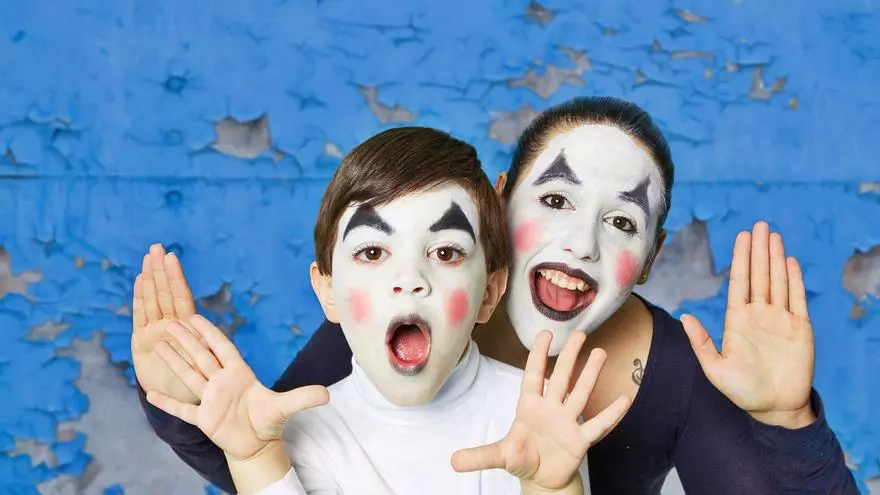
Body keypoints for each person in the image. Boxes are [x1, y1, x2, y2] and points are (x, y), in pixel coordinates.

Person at [133, 97, 857, 494]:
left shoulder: (677, 375)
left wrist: (786, 419)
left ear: (650, 257)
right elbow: (274, 452)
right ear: (501, 202)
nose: (581, 244)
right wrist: (181, 402)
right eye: (557, 200)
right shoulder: (400, 311)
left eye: (622, 222)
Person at [135, 127, 629, 494]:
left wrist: (551, 488)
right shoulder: (300, 431)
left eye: (445, 252)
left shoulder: (536, 418)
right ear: (328, 291)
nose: (410, 278)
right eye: (372, 252)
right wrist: (257, 461)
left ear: (489, 293)